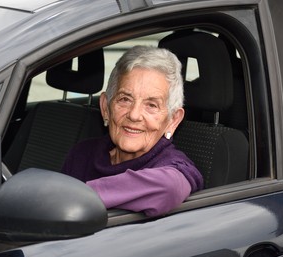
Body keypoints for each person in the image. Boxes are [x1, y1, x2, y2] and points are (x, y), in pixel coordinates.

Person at [61, 45, 203, 217]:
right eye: (125, 99)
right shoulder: (82, 154)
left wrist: (65, 197)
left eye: (151, 105)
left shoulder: (174, 168)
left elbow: (169, 188)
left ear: (173, 120)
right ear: (106, 107)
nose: (134, 115)